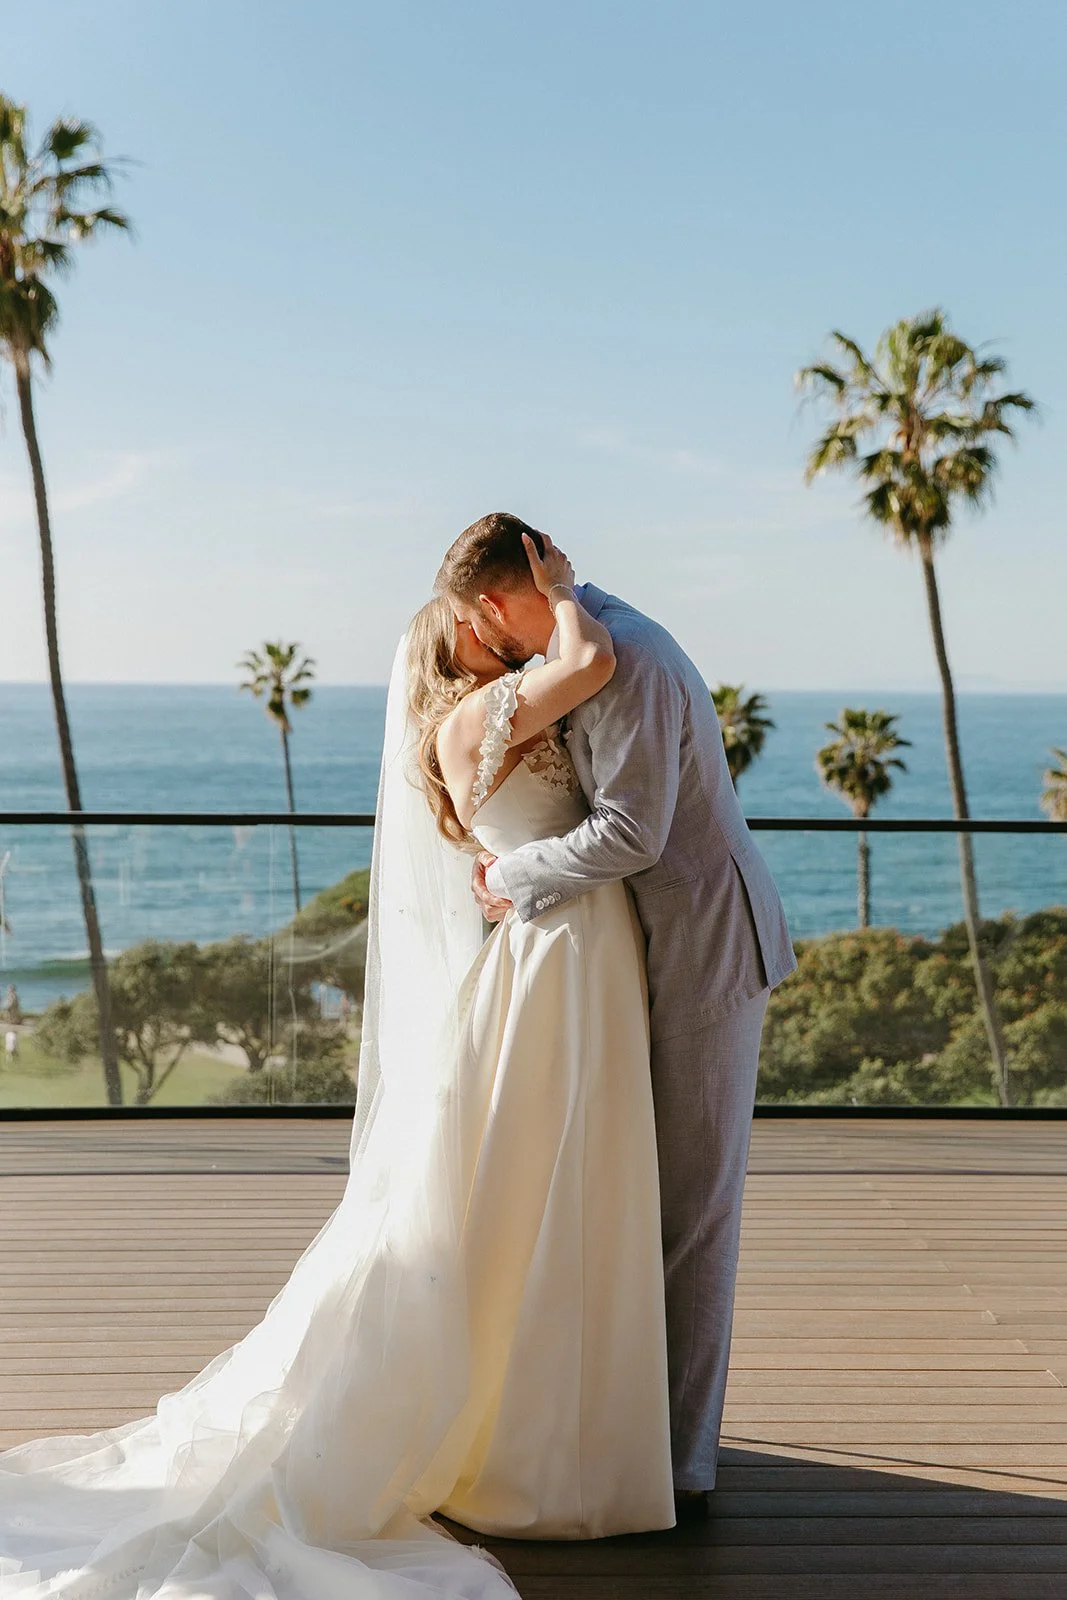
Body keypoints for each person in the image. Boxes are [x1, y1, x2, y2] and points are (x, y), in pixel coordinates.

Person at [0, 534, 673, 1600]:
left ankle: (561, 1441)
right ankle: (529, 1455)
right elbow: (589, 663)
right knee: (543, 1190)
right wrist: (562, 589)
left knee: (573, 1188)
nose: (509, 646)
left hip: (575, 945)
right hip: (553, 954)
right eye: (488, 632)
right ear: (460, 644)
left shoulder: (497, 705)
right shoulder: (476, 720)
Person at [438, 511, 797, 1512]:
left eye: (479, 615)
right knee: (644, 1199)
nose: (480, 637)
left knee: (690, 1213)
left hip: (703, 944)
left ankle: (678, 1465)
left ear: (505, 593)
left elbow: (631, 831)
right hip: (640, 951)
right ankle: (639, 1434)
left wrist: (507, 873)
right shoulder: (583, 644)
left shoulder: (621, 656)